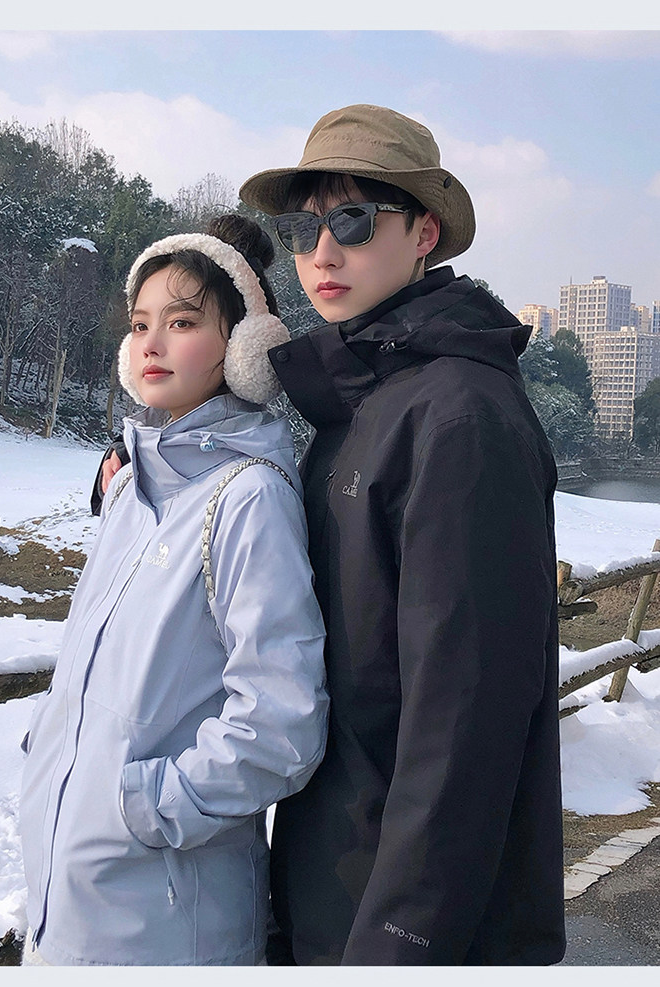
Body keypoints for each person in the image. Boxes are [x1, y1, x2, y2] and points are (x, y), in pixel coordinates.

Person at [94, 105, 566, 967]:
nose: (322, 252)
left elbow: (467, 720)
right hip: (334, 886)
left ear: (425, 232)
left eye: (353, 220)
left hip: (408, 923)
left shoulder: (459, 418)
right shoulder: (363, 404)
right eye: (304, 228)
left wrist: (399, 942)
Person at [19, 214, 329, 966]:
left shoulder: (248, 498)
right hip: (63, 907)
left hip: (165, 927)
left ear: (244, 347)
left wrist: (150, 807)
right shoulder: (130, 488)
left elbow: (281, 723)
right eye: (140, 324)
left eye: (182, 322)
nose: (151, 343)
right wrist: (52, 753)